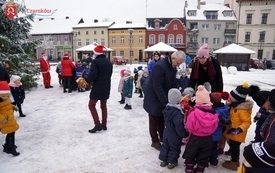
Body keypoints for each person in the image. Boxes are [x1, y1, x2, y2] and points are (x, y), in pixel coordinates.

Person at [143, 50, 186, 151]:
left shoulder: (172, 66)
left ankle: (163, 136)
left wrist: (178, 93)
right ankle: (155, 141)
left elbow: (173, 81)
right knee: (154, 119)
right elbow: (157, 86)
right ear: (173, 58)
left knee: (162, 118)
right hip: (154, 98)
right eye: (178, 63)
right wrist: (166, 102)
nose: (178, 65)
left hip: (164, 96)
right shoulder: (160, 66)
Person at [222, 82, 260, 171]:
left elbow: (247, 122)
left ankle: (234, 163)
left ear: (237, 98)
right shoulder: (235, 106)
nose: (229, 97)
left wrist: (239, 129)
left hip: (237, 133)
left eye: (231, 96)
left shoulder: (242, 110)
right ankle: (234, 161)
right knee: (232, 147)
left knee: (234, 148)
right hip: (232, 131)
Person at [182, 85, 219, 173]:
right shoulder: (214, 114)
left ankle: (189, 169)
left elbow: (189, 126)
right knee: (204, 155)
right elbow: (215, 127)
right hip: (208, 138)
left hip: (195, 137)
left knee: (191, 152)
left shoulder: (194, 113)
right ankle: (199, 170)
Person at [159, 88, 188, 169]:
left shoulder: (167, 108)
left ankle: (163, 160)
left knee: (165, 145)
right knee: (174, 148)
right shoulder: (177, 112)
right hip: (174, 134)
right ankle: (171, 162)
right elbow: (179, 126)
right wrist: (184, 133)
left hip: (166, 131)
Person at [87, 45, 113, 133]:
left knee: (91, 105)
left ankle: (97, 124)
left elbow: (93, 75)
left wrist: (87, 80)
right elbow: (110, 74)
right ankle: (104, 124)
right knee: (103, 106)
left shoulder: (95, 62)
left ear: (95, 53)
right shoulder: (108, 62)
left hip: (97, 86)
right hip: (106, 86)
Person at [209, 92, 230, 167]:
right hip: (218, 133)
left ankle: (214, 162)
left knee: (212, 148)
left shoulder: (216, 112)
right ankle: (213, 161)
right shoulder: (224, 108)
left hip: (213, 133)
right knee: (213, 147)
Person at [0, 81, 20, 156]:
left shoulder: (5, 98)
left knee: (11, 132)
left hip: (9, 118)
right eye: (3, 96)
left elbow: (8, 104)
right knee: (11, 132)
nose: (5, 97)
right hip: (4, 120)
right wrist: (1, 118)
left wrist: (13, 107)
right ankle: (11, 148)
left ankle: (7, 146)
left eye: (6, 95)